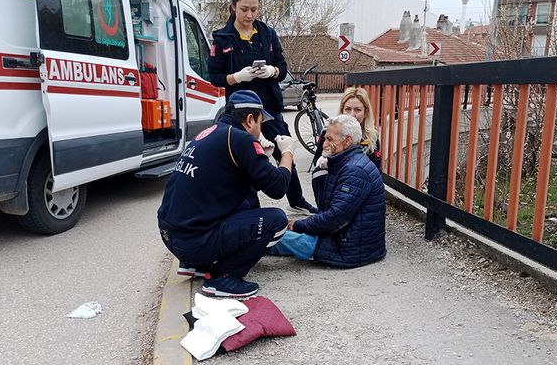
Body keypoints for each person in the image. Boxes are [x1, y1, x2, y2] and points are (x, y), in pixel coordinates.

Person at [157, 90, 296, 298]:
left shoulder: (211, 133)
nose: (260, 130)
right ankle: (223, 277)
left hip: (173, 237)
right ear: (250, 120)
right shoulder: (241, 140)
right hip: (193, 242)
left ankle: (196, 265)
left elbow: (241, 183)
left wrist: (260, 159)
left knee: (247, 200)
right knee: (276, 220)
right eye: (260, 123)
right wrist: (287, 153)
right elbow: (278, 188)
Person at [208, 0, 318, 215]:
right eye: (244, 9)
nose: (249, 15)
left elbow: (283, 68)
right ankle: (244, 205)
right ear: (233, 7)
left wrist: (272, 71)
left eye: (254, 9)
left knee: (283, 149)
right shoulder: (222, 37)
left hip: (268, 105)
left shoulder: (268, 33)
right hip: (239, 110)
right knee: (242, 156)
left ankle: (296, 199)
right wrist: (237, 77)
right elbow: (214, 77)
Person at [270, 115, 387, 268]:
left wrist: (298, 226)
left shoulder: (354, 170)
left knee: (271, 236)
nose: (324, 144)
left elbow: (335, 217)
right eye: (325, 139)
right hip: (351, 242)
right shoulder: (345, 162)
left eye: (330, 140)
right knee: (277, 232)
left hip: (348, 249)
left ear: (347, 141)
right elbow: (329, 210)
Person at [311, 87, 381, 203]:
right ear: (342, 110)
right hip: (333, 185)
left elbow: (376, 172)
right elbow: (316, 161)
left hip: (359, 188)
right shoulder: (328, 132)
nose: (351, 115)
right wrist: (325, 160)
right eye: (347, 109)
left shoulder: (371, 138)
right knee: (319, 172)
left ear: (366, 112)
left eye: (358, 110)